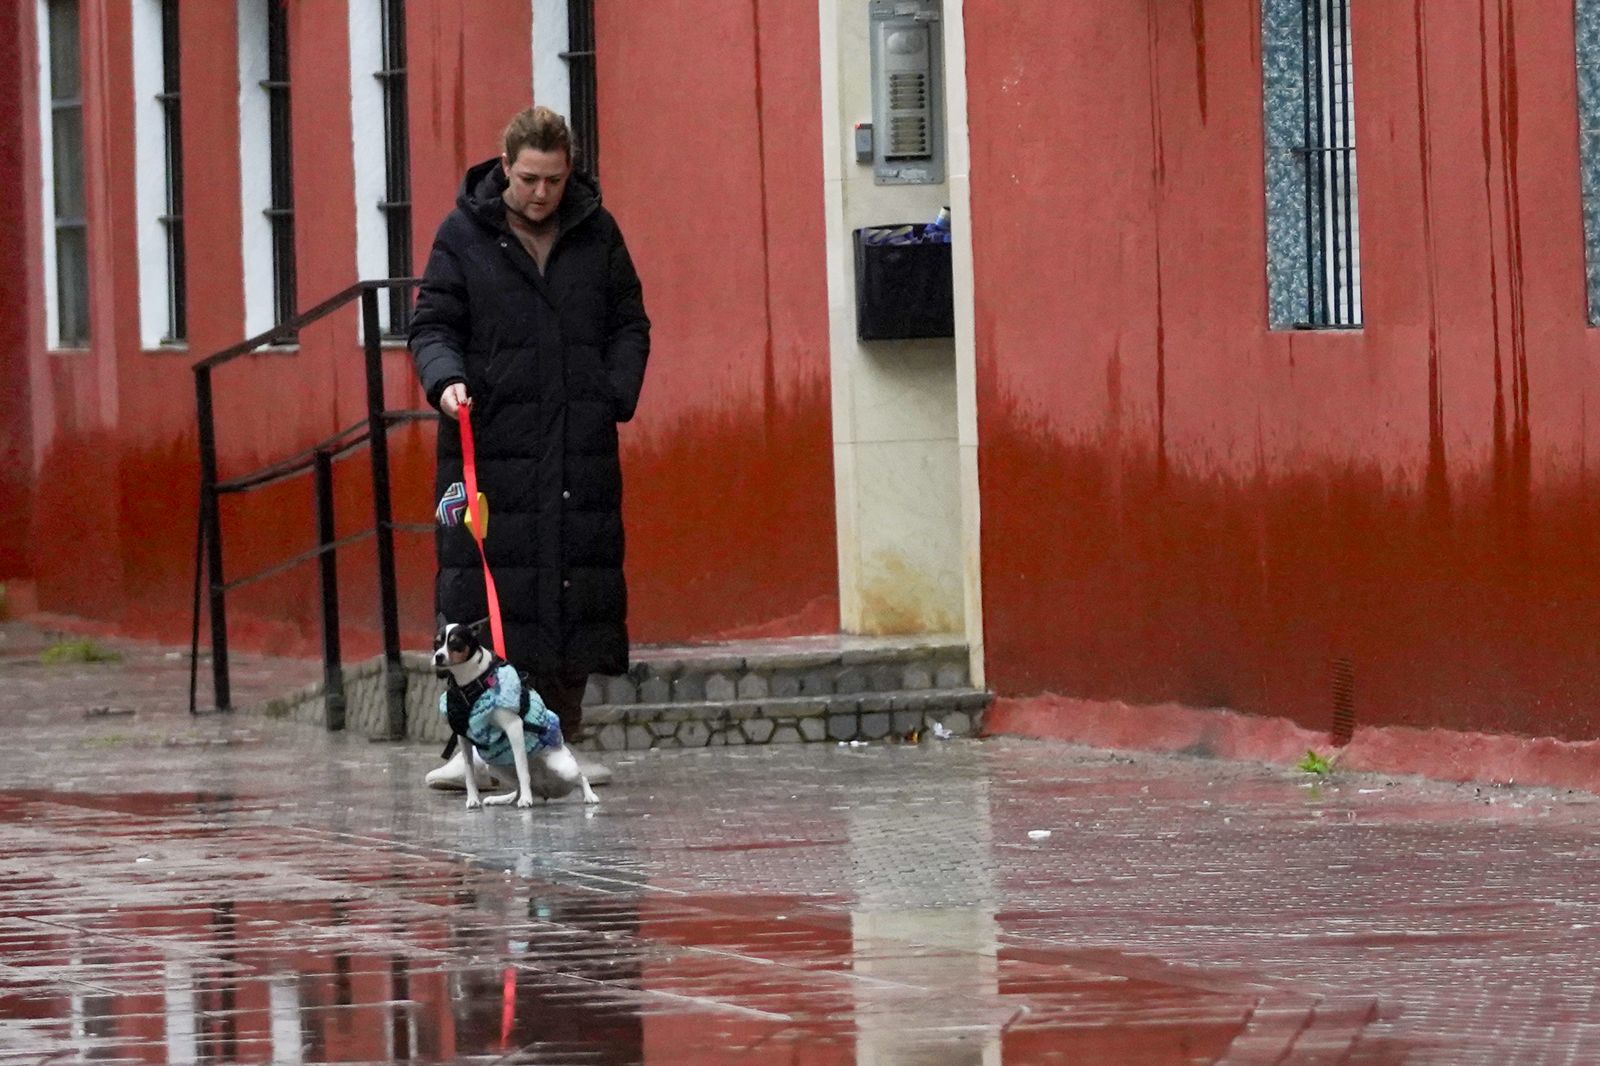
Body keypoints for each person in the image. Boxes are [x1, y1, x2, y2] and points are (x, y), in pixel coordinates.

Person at [410, 106, 649, 785]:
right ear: (504, 166)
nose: (541, 193)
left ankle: (560, 740)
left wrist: (613, 393)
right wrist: (445, 381)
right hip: (487, 444)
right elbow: (432, 324)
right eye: (528, 179)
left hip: (579, 443)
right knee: (479, 592)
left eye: (554, 179)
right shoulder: (462, 235)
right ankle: (469, 748)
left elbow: (630, 322)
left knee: (575, 587)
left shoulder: (597, 233)